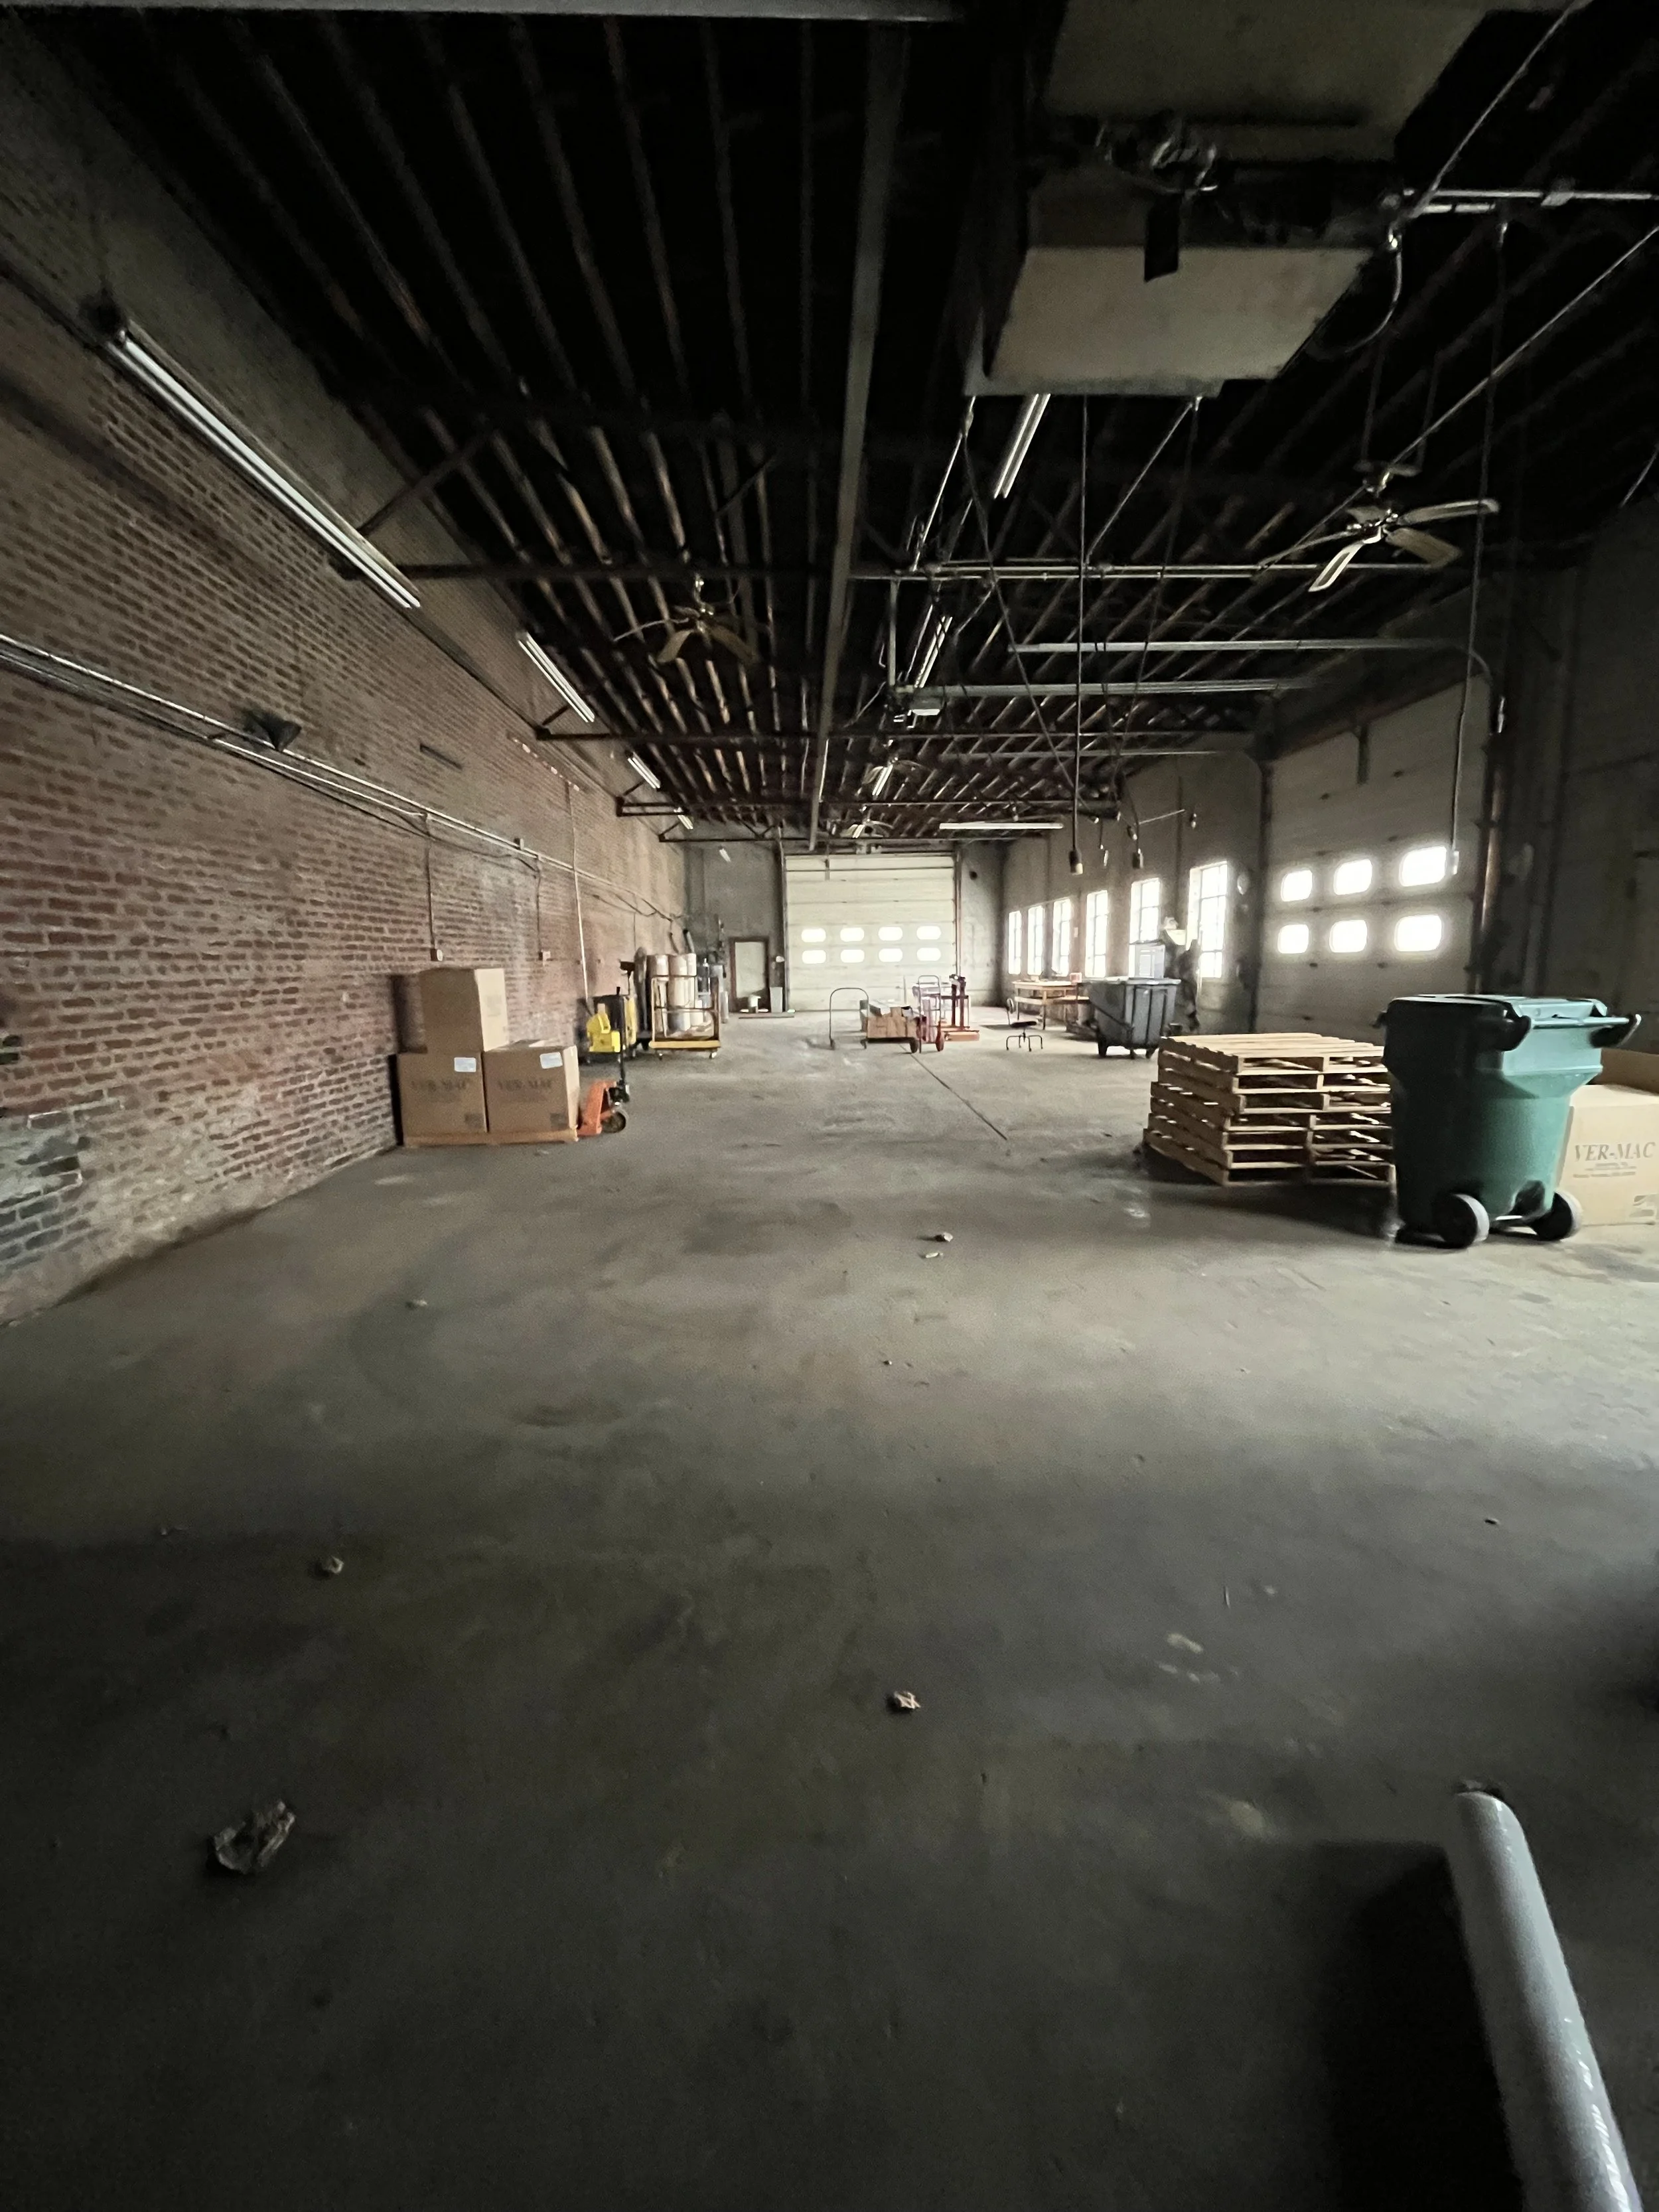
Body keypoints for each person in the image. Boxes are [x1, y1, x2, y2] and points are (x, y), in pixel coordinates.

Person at [1161, 919, 1201, 1033]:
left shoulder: (1188, 958)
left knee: (1189, 1004)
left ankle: (1191, 1025)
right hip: (1182, 985)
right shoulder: (1185, 957)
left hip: (1185, 985)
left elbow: (1184, 973)